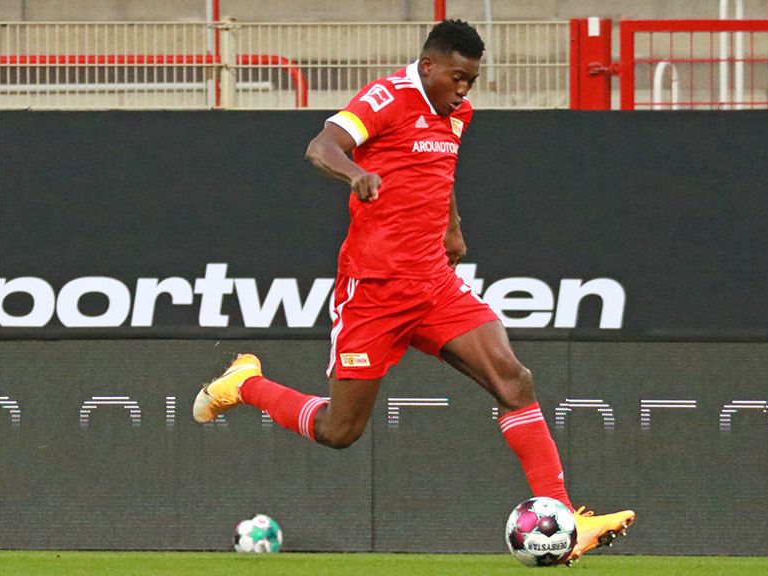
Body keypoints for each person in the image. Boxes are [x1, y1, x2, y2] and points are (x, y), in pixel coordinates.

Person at [192, 19, 633, 562]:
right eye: (457, 77)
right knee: (340, 430)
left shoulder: (458, 114)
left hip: (433, 284)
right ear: (428, 67)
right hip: (373, 292)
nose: (465, 89)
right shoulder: (389, 97)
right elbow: (320, 146)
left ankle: (565, 520)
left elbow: (439, 169)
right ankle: (246, 383)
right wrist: (354, 174)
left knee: (514, 381)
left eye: (472, 79)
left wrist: (452, 225)